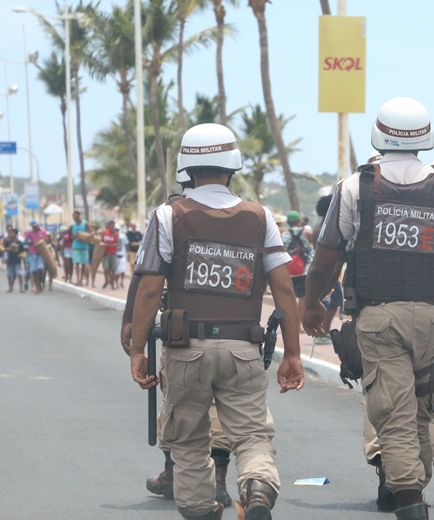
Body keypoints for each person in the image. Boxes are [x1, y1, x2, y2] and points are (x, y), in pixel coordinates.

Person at [302, 97, 434, 520]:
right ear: (425, 138)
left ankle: (410, 504)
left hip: (380, 320)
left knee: (393, 419)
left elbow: (325, 259)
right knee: (427, 415)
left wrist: (313, 304)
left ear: (378, 134)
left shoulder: (355, 186)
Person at [130, 123, 304, 520]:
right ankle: (258, 488)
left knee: (189, 442)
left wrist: (138, 349)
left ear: (186, 170)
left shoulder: (168, 215)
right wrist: (292, 353)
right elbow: (283, 289)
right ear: (231, 167)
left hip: (185, 351)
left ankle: (201, 510)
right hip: (243, 349)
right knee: (252, 436)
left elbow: (148, 289)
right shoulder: (260, 217)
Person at [310, 194, 342, 336]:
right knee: (329, 305)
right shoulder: (328, 229)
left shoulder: (318, 227)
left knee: (331, 304)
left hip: (326, 274)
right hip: (329, 274)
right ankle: (323, 333)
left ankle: (324, 332)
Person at [281, 210, 313, 326]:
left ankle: (292, 324)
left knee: (291, 298)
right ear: (299, 221)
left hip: (290, 270)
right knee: (303, 297)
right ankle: (300, 324)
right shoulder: (307, 233)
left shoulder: (285, 235)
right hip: (304, 270)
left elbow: (282, 251)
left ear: (288, 223)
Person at [24, 221, 50, 295]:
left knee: (40, 269)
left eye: (36, 226)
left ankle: (40, 283)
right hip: (33, 253)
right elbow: (26, 241)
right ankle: (37, 287)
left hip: (41, 252)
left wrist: (43, 240)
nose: (35, 228)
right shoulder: (29, 233)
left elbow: (47, 240)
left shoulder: (43, 231)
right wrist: (32, 241)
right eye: (34, 227)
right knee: (34, 271)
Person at [71, 210, 93, 286]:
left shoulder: (85, 224)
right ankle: (78, 280)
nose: (73, 217)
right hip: (76, 246)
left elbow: (93, 232)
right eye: (72, 216)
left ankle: (81, 279)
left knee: (83, 264)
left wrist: (86, 236)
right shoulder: (73, 225)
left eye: (74, 216)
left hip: (84, 247)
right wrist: (76, 236)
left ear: (78, 215)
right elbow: (71, 236)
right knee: (76, 264)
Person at [3, 228, 25, 293]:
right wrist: (8, 249)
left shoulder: (20, 243)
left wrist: (21, 255)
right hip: (10, 259)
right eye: (10, 233)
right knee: (9, 274)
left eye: (12, 233)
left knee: (19, 274)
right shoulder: (8, 242)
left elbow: (22, 251)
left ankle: (21, 287)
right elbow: (4, 249)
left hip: (17, 260)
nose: (10, 234)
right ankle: (10, 287)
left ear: (15, 234)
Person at [101, 220, 119, 290]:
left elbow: (117, 243)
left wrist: (110, 245)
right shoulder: (104, 233)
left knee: (113, 270)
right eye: (111, 225)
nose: (112, 227)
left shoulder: (115, 234)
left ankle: (112, 284)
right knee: (106, 268)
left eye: (113, 226)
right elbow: (101, 241)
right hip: (105, 253)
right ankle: (106, 281)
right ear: (108, 226)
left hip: (113, 253)